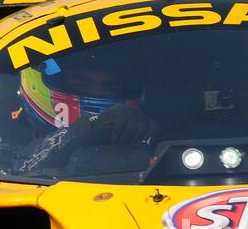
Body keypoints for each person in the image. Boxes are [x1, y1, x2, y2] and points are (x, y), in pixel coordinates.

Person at [11, 54, 154, 174]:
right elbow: (20, 169)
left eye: (110, 87)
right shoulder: (11, 135)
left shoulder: (150, 135)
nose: (96, 93)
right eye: (80, 84)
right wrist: (93, 125)